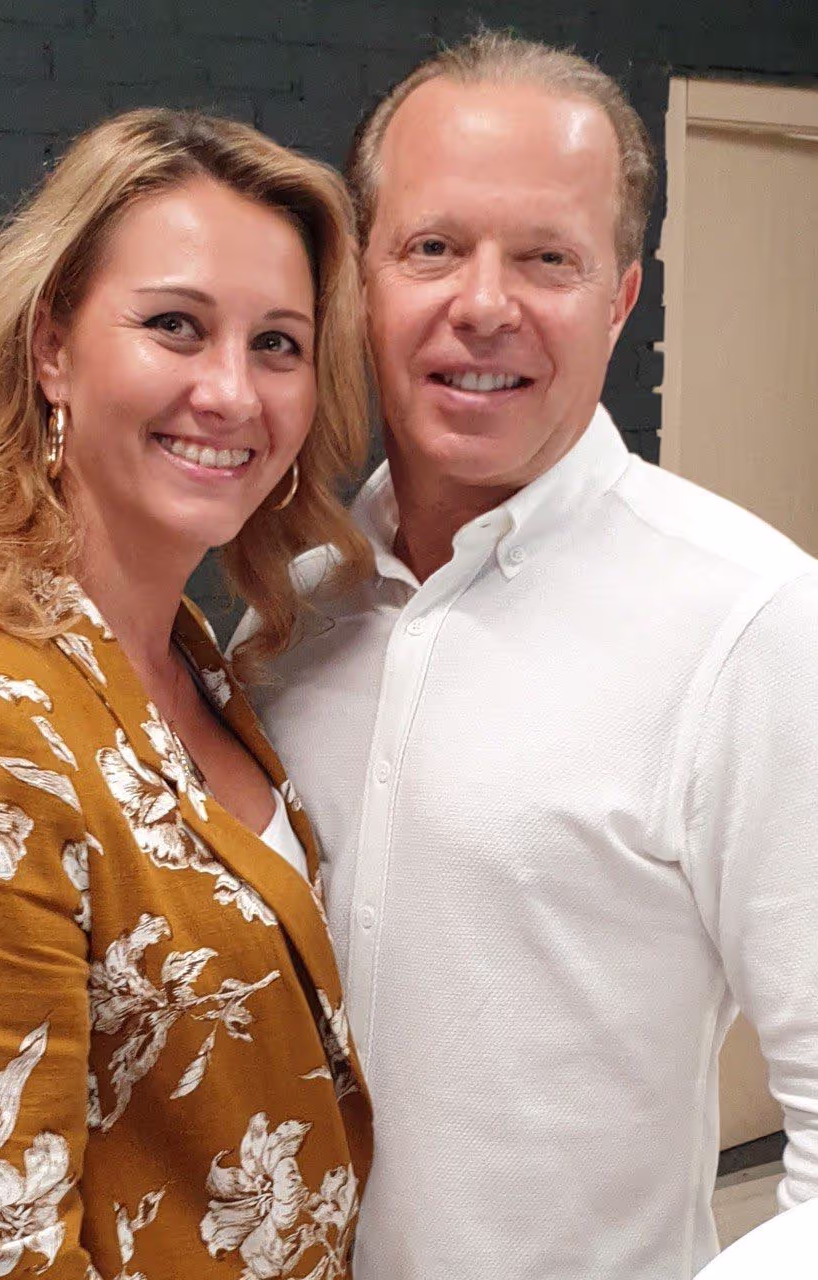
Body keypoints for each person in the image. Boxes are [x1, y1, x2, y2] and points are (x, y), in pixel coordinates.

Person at [233, 30, 818, 1280]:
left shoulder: (750, 623)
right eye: (432, 247)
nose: (483, 303)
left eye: (547, 257)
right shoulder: (291, 609)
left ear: (619, 296)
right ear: (361, 281)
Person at [0, 108, 375, 1280]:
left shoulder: (189, 658)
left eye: (277, 343)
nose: (231, 391)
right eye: (175, 325)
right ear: (51, 347)